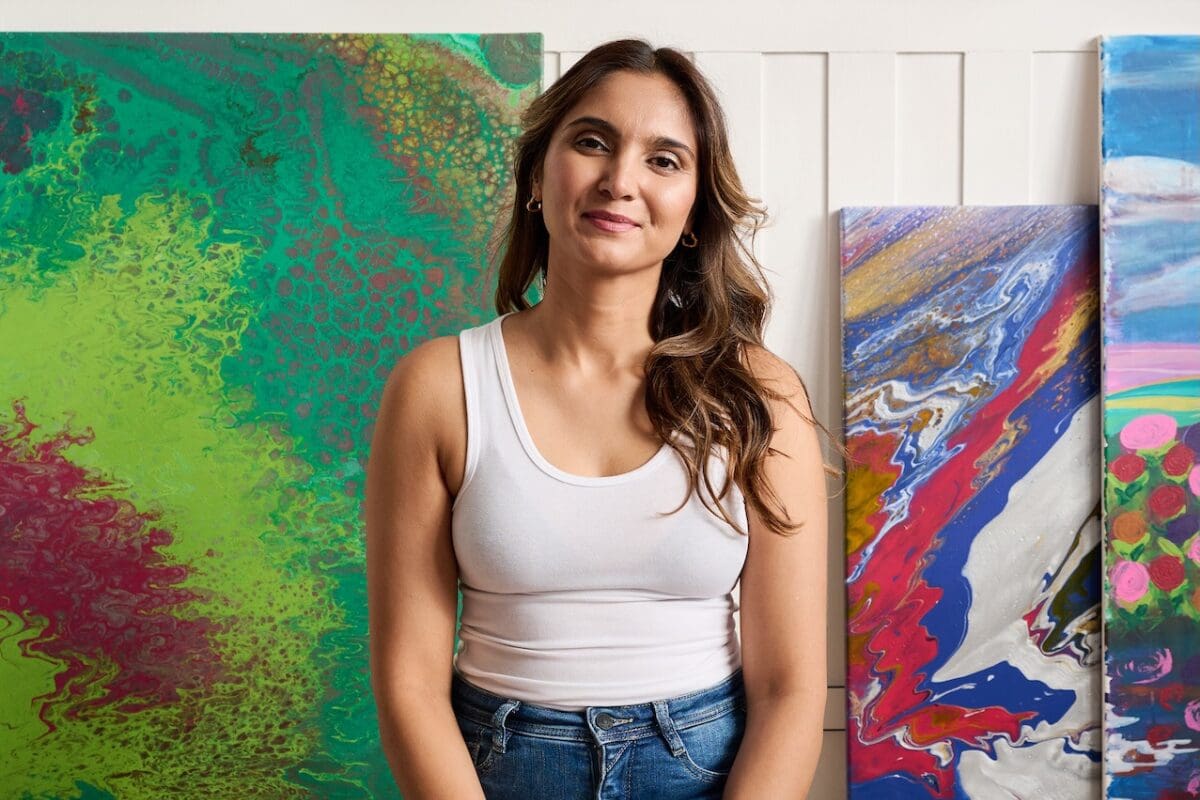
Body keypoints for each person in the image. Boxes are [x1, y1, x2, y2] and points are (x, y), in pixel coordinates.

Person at [365, 38, 829, 799]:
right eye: (591, 142)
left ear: (691, 213)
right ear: (538, 179)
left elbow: (790, 691)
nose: (620, 181)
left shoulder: (761, 398)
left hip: (708, 772)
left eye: (664, 159)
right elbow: (409, 685)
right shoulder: (438, 388)